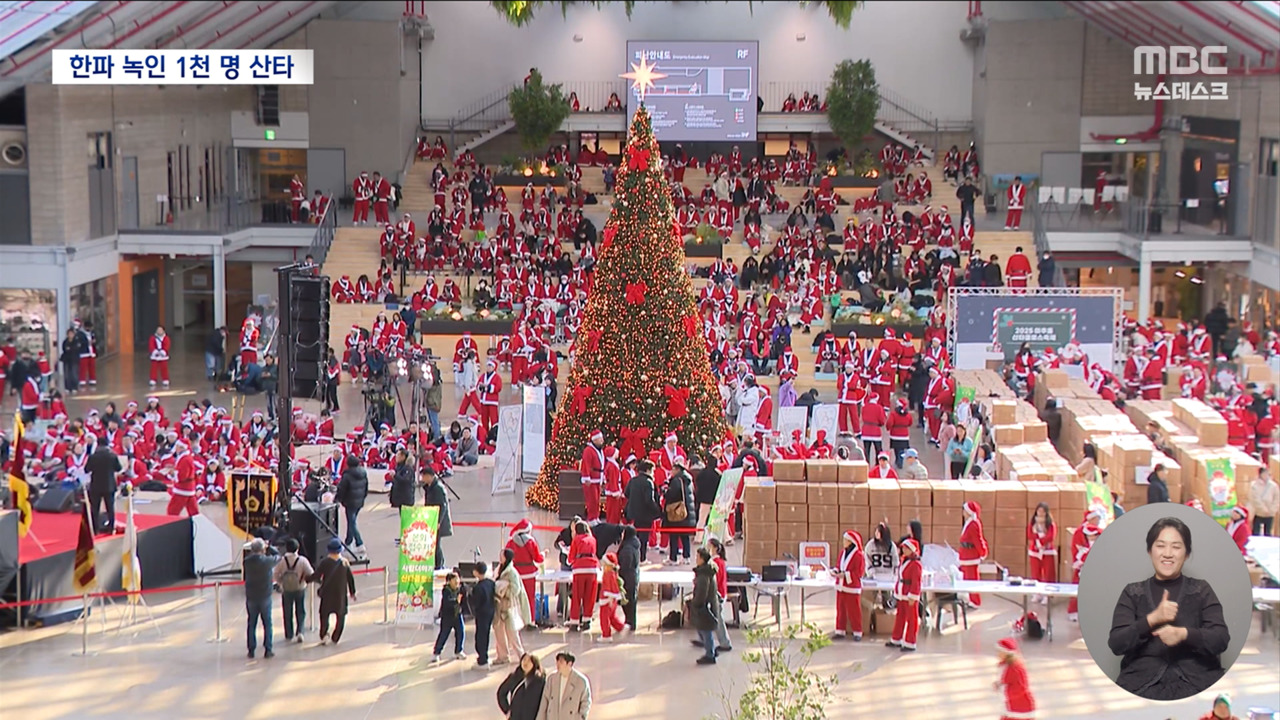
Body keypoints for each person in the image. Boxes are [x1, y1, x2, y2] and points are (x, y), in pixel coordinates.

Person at [1108, 516, 1230, 700]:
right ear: (1150, 551)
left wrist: (1184, 634)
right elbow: (1116, 643)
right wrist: (1152, 620)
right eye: (1160, 545)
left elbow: (1221, 639)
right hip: (1140, 688)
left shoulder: (1201, 590)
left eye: (1176, 546)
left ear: (1187, 553)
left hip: (1198, 685)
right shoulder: (1133, 592)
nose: (1167, 553)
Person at [313, 537, 357, 646]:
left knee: (324, 615)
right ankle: (336, 637)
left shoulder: (325, 562)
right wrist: (353, 592)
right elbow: (350, 579)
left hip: (327, 594)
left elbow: (316, 575)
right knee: (341, 616)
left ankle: (324, 635)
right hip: (340, 595)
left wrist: (308, 578)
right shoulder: (345, 563)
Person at [242, 538, 279, 659]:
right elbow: (278, 556)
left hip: (251, 596)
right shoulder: (267, 561)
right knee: (267, 623)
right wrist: (269, 547)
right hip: (265, 596)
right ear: (262, 549)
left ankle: (251, 650)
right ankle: (268, 649)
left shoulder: (246, 561)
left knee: (251, 623)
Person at [273, 538, 314, 643]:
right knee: (300, 610)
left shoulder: (282, 561)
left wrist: (281, 583)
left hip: (286, 590)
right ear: (297, 548)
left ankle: (289, 634)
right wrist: (304, 580)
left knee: (287, 612)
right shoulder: (302, 560)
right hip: (300, 588)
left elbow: (275, 574)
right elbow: (310, 573)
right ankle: (300, 631)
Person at [494, 549, 530, 664]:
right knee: (499, 632)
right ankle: (502, 656)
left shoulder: (512, 572)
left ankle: (521, 656)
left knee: (512, 633)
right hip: (499, 605)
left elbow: (516, 589)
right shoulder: (499, 569)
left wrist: (505, 591)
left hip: (509, 606)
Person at [506, 518, 545, 620]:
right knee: (529, 598)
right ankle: (530, 620)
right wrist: (543, 555)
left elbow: (506, 557)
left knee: (516, 599)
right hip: (529, 574)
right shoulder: (531, 541)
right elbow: (537, 558)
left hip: (516, 574)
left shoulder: (511, 542)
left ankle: (517, 619)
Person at [888, 538, 923, 652]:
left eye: (906, 548)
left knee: (911, 619)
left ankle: (910, 642)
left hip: (909, 595)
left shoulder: (916, 564)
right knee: (900, 617)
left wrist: (913, 596)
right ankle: (896, 638)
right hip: (901, 593)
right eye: (903, 547)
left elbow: (916, 582)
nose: (903, 549)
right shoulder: (904, 561)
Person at [537, 651, 592, 720]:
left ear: (569, 664)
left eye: (561, 662)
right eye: (557, 661)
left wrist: (580, 717)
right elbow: (544, 701)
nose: (558, 664)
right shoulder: (552, 679)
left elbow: (586, 702)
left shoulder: (581, 681)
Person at [690, 547, 722, 664]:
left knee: (705, 629)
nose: (696, 559)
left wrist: (696, 603)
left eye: (697, 557)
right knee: (702, 629)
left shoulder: (704, 575)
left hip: (704, 606)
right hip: (708, 603)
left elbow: (702, 592)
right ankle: (711, 649)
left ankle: (710, 654)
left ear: (702, 559)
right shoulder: (707, 571)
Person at [832, 529, 865, 640]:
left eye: (845, 540)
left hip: (852, 587)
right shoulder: (842, 552)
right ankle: (840, 631)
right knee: (840, 610)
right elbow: (838, 565)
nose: (844, 542)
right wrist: (835, 571)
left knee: (854, 611)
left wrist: (845, 575)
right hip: (841, 586)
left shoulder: (859, 555)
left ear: (851, 541)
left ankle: (857, 632)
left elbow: (858, 573)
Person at [993, 637, 1036, 720]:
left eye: (1000, 652)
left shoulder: (1016, 668)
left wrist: (1002, 688)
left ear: (1007, 653)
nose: (997, 654)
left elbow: (1021, 687)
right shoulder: (1006, 666)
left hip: (1020, 708)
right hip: (1012, 706)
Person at [624, 459, 662, 549]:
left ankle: (638, 555)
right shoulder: (649, 482)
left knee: (637, 534)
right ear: (648, 470)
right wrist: (658, 510)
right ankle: (642, 557)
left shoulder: (633, 480)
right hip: (645, 514)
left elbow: (626, 494)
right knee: (644, 537)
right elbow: (649, 500)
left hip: (634, 512)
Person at [567, 520, 598, 630]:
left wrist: (570, 561)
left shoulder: (576, 539)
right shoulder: (593, 540)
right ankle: (587, 620)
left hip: (579, 569)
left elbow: (571, 557)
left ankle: (574, 622)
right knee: (589, 596)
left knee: (576, 596)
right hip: (592, 569)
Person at [497, 652, 547, 720]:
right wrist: (507, 710)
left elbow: (545, 700)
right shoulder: (514, 677)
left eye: (529, 661)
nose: (525, 663)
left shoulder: (540, 681)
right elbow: (501, 693)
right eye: (524, 660)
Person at [336, 454, 368, 557]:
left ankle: (359, 543)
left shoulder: (347, 476)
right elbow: (366, 487)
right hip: (359, 501)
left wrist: (338, 499)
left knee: (352, 522)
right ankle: (348, 543)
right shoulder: (363, 473)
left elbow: (342, 489)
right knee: (351, 521)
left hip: (350, 501)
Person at [663, 461, 695, 565]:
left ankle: (673, 558)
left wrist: (665, 492)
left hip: (677, 511)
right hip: (686, 511)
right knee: (684, 535)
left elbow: (672, 495)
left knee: (674, 535)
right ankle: (686, 557)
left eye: (673, 469)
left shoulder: (677, 480)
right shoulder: (687, 478)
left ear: (677, 469)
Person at [86, 442, 121, 533]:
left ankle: (95, 528)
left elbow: (87, 469)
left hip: (95, 485)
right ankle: (111, 528)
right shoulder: (112, 456)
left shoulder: (93, 457)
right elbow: (118, 468)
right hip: (109, 485)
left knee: (95, 508)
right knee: (110, 508)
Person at [959, 501, 989, 607]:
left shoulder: (974, 524)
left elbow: (978, 540)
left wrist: (983, 552)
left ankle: (976, 601)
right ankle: (970, 599)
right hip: (966, 555)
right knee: (967, 578)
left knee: (972, 578)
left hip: (971, 556)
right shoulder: (969, 523)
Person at [431, 571, 466, 663]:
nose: (457, 582)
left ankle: (459, 650)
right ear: (449, 581)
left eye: (458, 580)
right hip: (447, 616)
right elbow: (448, 602)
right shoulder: (446, 591)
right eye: (455, 580)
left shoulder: (460, 589)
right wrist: (456, 601)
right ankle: (436, 653)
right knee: (444, 634)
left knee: (461, 632)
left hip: (457, 614)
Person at [468, 561, 496, 668]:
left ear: (476, 572)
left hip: (482, 614)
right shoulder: (490, 583)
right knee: (486, 634)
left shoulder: (478, 588)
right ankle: (483, 657)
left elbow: (476, 602)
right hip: (490, 611)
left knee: (481, 635)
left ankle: (482, 660)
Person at [423, 465, 452, 569]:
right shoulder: (429, 487)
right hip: (431, 517)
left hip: (437, 520)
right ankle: (438, 563)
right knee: (434, 543)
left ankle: (439, 564)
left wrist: (439, 521)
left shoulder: (438, 488)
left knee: (436, 544)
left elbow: (443, 505)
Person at [595, 552, 626, 641]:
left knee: (604, 618)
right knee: (612, 617)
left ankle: (606, 635)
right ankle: (620, 627)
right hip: (611, 599)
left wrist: (610, 599)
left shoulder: (608, 574)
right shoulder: (613, 573)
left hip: (607, 600)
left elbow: (610, 588)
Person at [1026, 502, 1057, 588]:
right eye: (1039, 511)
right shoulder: (1032, 524)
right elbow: (1030, 535)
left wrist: (1041, 541)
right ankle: (1036, 593)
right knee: (1035, 572)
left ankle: (1047, 593)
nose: (1040, 513)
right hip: (1034, 551)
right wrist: (1039, 537)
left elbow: (1051, 536)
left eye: (1043, 511)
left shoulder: (1050, 524)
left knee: (1048, 573)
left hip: (1047, 551)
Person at [617, 525, 641, 631]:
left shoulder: (627, 548)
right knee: (631, 600)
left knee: (627, 601)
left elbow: (626, 563)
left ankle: (630, 621)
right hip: (633, 576)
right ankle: (631, 621)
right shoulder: (634, 545)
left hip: (627, 577)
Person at [1249, 467, 1278, 536]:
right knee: (1256, 532)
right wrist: (1263, 509)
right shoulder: (1254, 485)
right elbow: (1255, 499)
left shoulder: (1273, 485)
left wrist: (1272, 510)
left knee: (1268, 532)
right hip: (1258, 512)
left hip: (1270, 513)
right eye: (1264, 473)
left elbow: (1277, 498)